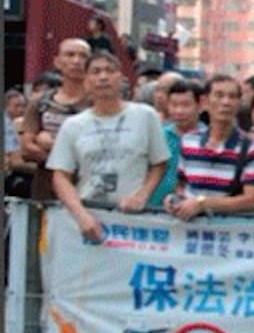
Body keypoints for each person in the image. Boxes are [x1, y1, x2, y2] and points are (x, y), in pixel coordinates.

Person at [47, 51, 169, 242]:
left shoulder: (146, 116)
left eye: (109, 71)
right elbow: (60, 175)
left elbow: (159, 163)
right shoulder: (73, 125)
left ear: (120, 77)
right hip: (89, 217)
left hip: (132, 219)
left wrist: (142, 196)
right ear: (86, 80)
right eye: (96, 72)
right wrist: (80, 214)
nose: (103, 77)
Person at [165, 74, 254, 220]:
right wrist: (175, 199)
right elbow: (182, 184)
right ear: (205, 102)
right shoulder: (189, 141)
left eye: (232, 97)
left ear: (239, 103)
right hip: (188, 231)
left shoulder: (253, 148)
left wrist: (203, 203)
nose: (226, 102)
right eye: (219, 95)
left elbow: (250, 200)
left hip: (228, 232)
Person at [21, 38, 92, 200]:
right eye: (70, 55)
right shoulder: (40, 101)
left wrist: (50, 145)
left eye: (83, 56)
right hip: (45, 191)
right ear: (58, 62)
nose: (76, 61)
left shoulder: (99, 103)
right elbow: (27, 149)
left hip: (87, 193)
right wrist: (65, 158)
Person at [149, 79, 206, 209]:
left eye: (186, 105)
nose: (179, 111)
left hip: (192, 211)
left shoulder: (208, 139)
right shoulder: (158, 136)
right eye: (174, 105)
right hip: (153, 209)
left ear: (200, 105)